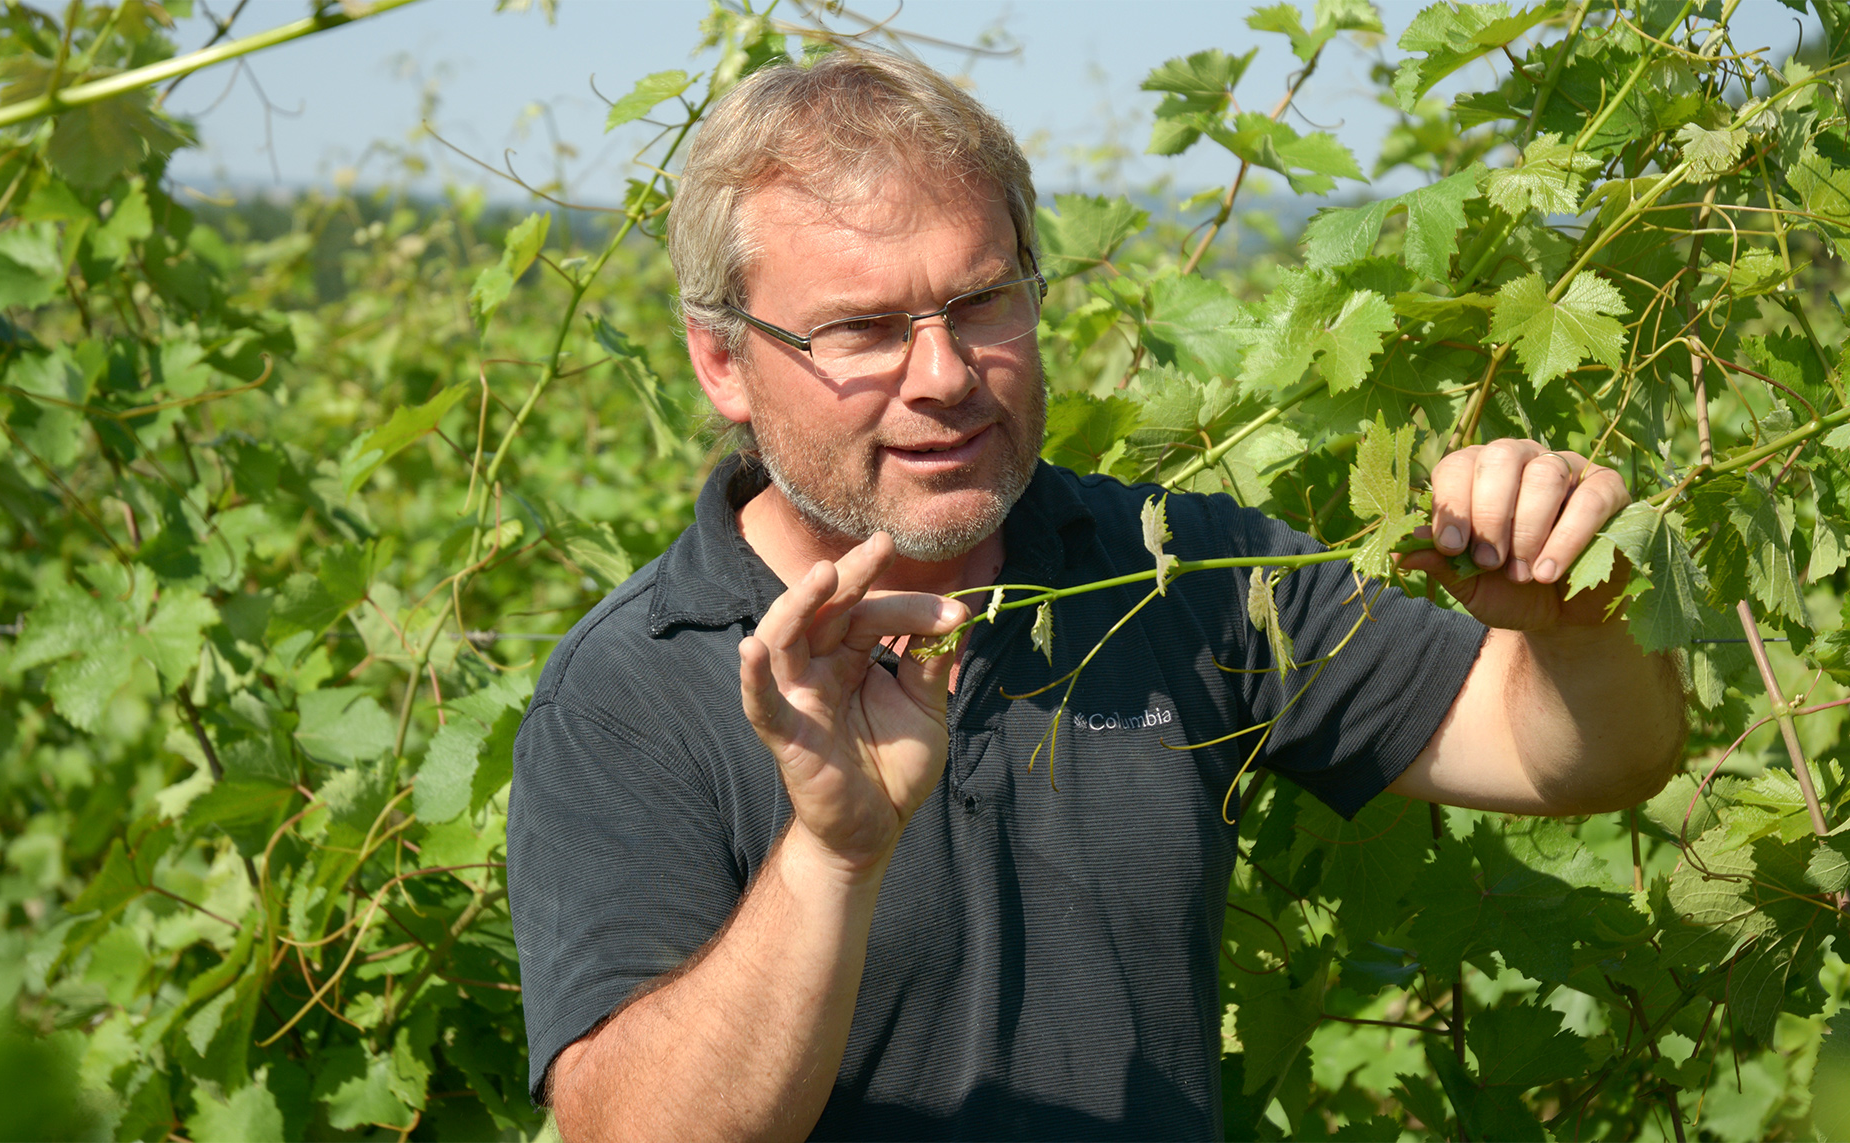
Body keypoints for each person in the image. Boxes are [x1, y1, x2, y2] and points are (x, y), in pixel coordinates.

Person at [507, 49, 1684, 1143]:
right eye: (863, 329)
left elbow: (1578, 760)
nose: (944, 375)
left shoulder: (1179, 569)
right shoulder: (630, 692)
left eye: (982, 302)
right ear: (723, 361)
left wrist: (1578, 621)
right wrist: (831, 856)